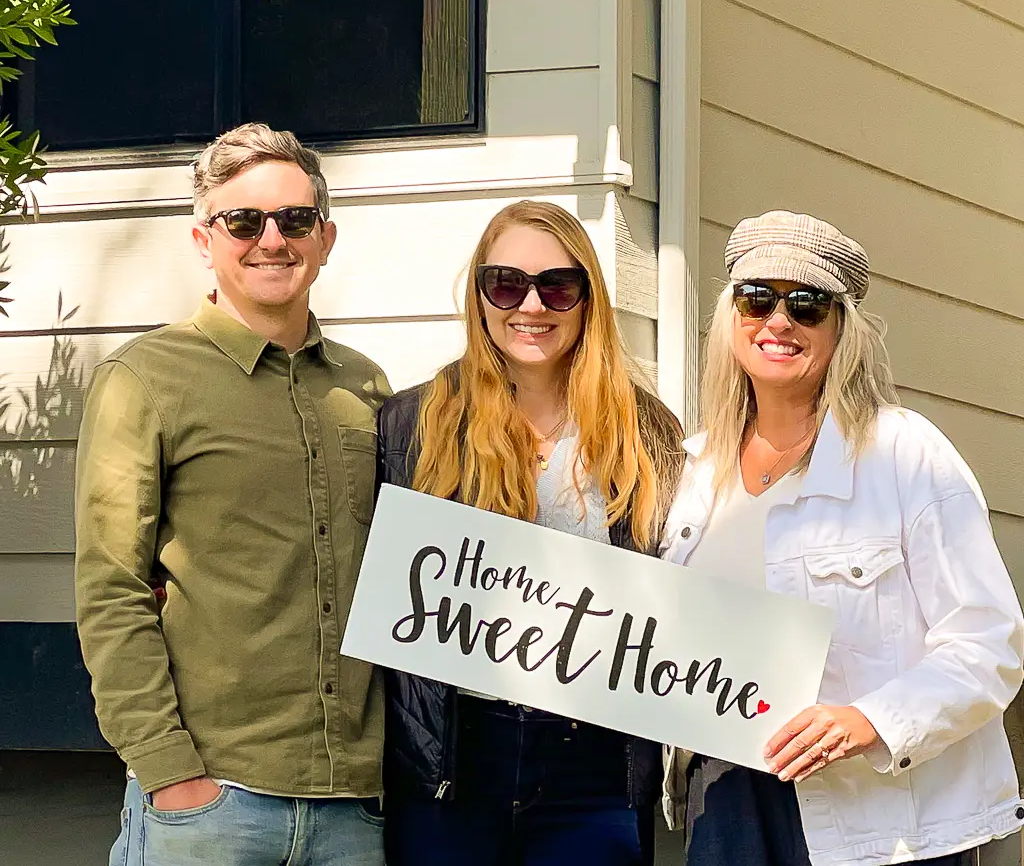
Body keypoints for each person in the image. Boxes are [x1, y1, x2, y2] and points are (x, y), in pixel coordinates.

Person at [660, 209, 1024, 866]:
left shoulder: (903, 454)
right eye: (756, 299)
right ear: (731, 318)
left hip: (878, 823)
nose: (778, 321)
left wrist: (866, 721)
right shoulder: (692, 471)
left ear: (841, 329)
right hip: (729, 803)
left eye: (806, 305)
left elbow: (987, 643)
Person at [74, 124, 391, 866]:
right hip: (211, 805)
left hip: (355, 808)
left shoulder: (367, 387)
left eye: (295, 219)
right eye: (244, 221)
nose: (272, 239)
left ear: (326, 236)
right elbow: (110, 588)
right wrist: (170, 771)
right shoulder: (146, 379)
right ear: (203, 239)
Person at [377, 200, 686, 866]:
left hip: (594, 762)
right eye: (507, 284)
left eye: (559, 285)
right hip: (451, 761)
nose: (533, 305)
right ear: (481, 296)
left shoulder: (647, 432)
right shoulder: (413, 425)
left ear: (588, 300)